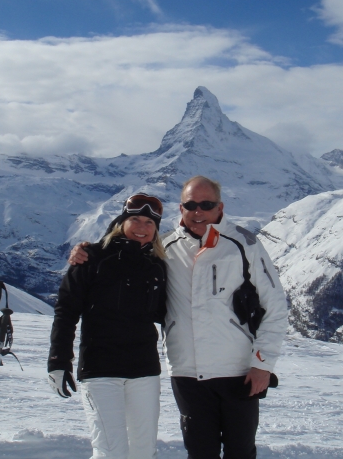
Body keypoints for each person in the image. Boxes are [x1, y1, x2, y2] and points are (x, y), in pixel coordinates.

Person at [69, 176, 288, 459]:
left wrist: (263, 363)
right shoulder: (165, 247)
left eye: (206, 205)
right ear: (181, 208)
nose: (198, 212)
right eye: (190, 205)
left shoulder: (244, 243)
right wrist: (85, 251)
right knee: (199, 453)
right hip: (187, 373)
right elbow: (123, 251)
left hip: (238, 370)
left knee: (240, 452)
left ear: (220, 207)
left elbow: (275, 305)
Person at [48, 193, 167, 459]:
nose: (141, 228)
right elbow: (66, 311)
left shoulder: (157, 264)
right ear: (121, 221)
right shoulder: (92, 258)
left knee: (144, 452)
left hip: (144, 371)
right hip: (100, 370)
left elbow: (170, 312)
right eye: (135, 219)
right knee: (110, 452)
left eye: (149, 223)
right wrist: (58, 360)